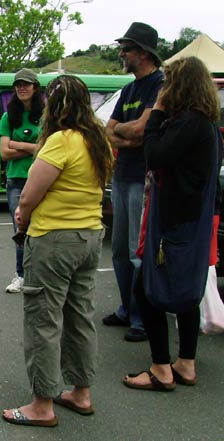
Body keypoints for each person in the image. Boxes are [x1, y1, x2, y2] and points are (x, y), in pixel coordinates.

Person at [3, 75, 114, 427]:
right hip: (90, 237)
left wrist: (22, 222)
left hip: (54, 239)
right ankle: (81, 393)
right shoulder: (98, 140)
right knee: (80, 316)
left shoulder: (59, 142)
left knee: (43, 319)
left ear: (55, 104)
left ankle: (42, 404)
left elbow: (30, 196)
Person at [123, 56, 221, 391]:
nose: (164, 87)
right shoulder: (206, 123)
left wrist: (158, 111)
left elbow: (156, 154)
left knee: (147, 290)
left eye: (169, 82)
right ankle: (186, 363)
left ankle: (161, 369)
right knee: (186, 293)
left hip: (175, 223)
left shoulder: (188, 122)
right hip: (194, 222)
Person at [102, 22, 164, 342]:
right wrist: (129, 135)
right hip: (122, 175)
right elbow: (109, 130)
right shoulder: (128, 89)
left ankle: (142, 318)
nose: (121, 54)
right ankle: (127, 309)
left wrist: (126, 134)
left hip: (144, 179)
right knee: (119, 253)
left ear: (143, 53)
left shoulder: (160, 85)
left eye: (126, 48)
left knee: (137, 252)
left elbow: (141, 131)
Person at [0, 68, 43, 293]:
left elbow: (47, 150)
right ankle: (21, 274)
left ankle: (40, 274)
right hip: (16, 179)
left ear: (35, 87)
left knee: (42, 227)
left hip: (40, 178)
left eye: (26, 84)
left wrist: (18, 144)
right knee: (20, 229)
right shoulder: (9, 115)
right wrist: (32, 148)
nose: (22, 88)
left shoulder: (46, 114)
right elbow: (4, 153)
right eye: (18, 85)